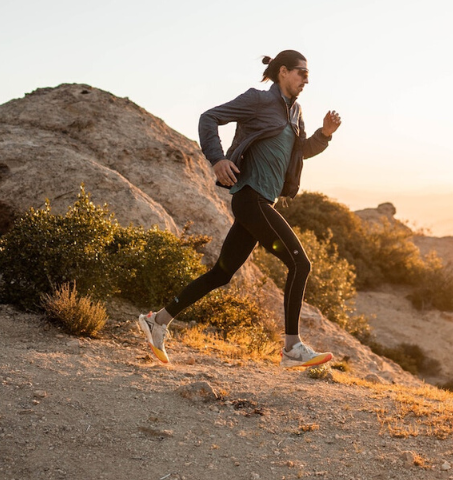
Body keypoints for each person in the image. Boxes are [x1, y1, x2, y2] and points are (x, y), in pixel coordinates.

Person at [137, 49, 340, 370]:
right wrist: (217, 159)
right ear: (283, 71)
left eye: (308, 75)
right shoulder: (258, 101)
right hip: (250, 197)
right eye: (301, 73)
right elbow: (209, 117)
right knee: (300, 265)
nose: (306, 79)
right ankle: (292, 348)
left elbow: (298, 153)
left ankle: (156, 321)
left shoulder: (296, 111)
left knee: (221, 274)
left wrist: (324, 135)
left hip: (263, 201)